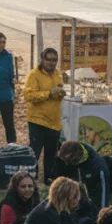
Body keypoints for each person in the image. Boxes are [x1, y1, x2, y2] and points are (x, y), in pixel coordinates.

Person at [24, 47, 66, 182]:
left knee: (51, 154)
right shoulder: (34, 75)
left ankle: (49, 180)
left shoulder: (58, 74)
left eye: (54, 60)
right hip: (38, 120)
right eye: (48, 60)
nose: (51, 63)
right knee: (34, 153)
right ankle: (30, 180)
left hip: (54, 121)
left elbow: (57, 93)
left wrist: (60, 94)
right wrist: (48, 94)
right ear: (42, 59)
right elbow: (28, 95)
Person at [52, 139, 112, 207]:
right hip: (79, 170)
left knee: (94, 198)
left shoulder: (98, 168)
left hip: (92, 177)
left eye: (67, 161)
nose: (65, 162)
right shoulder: (69, 149)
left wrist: (102, 210)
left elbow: (103, 197)